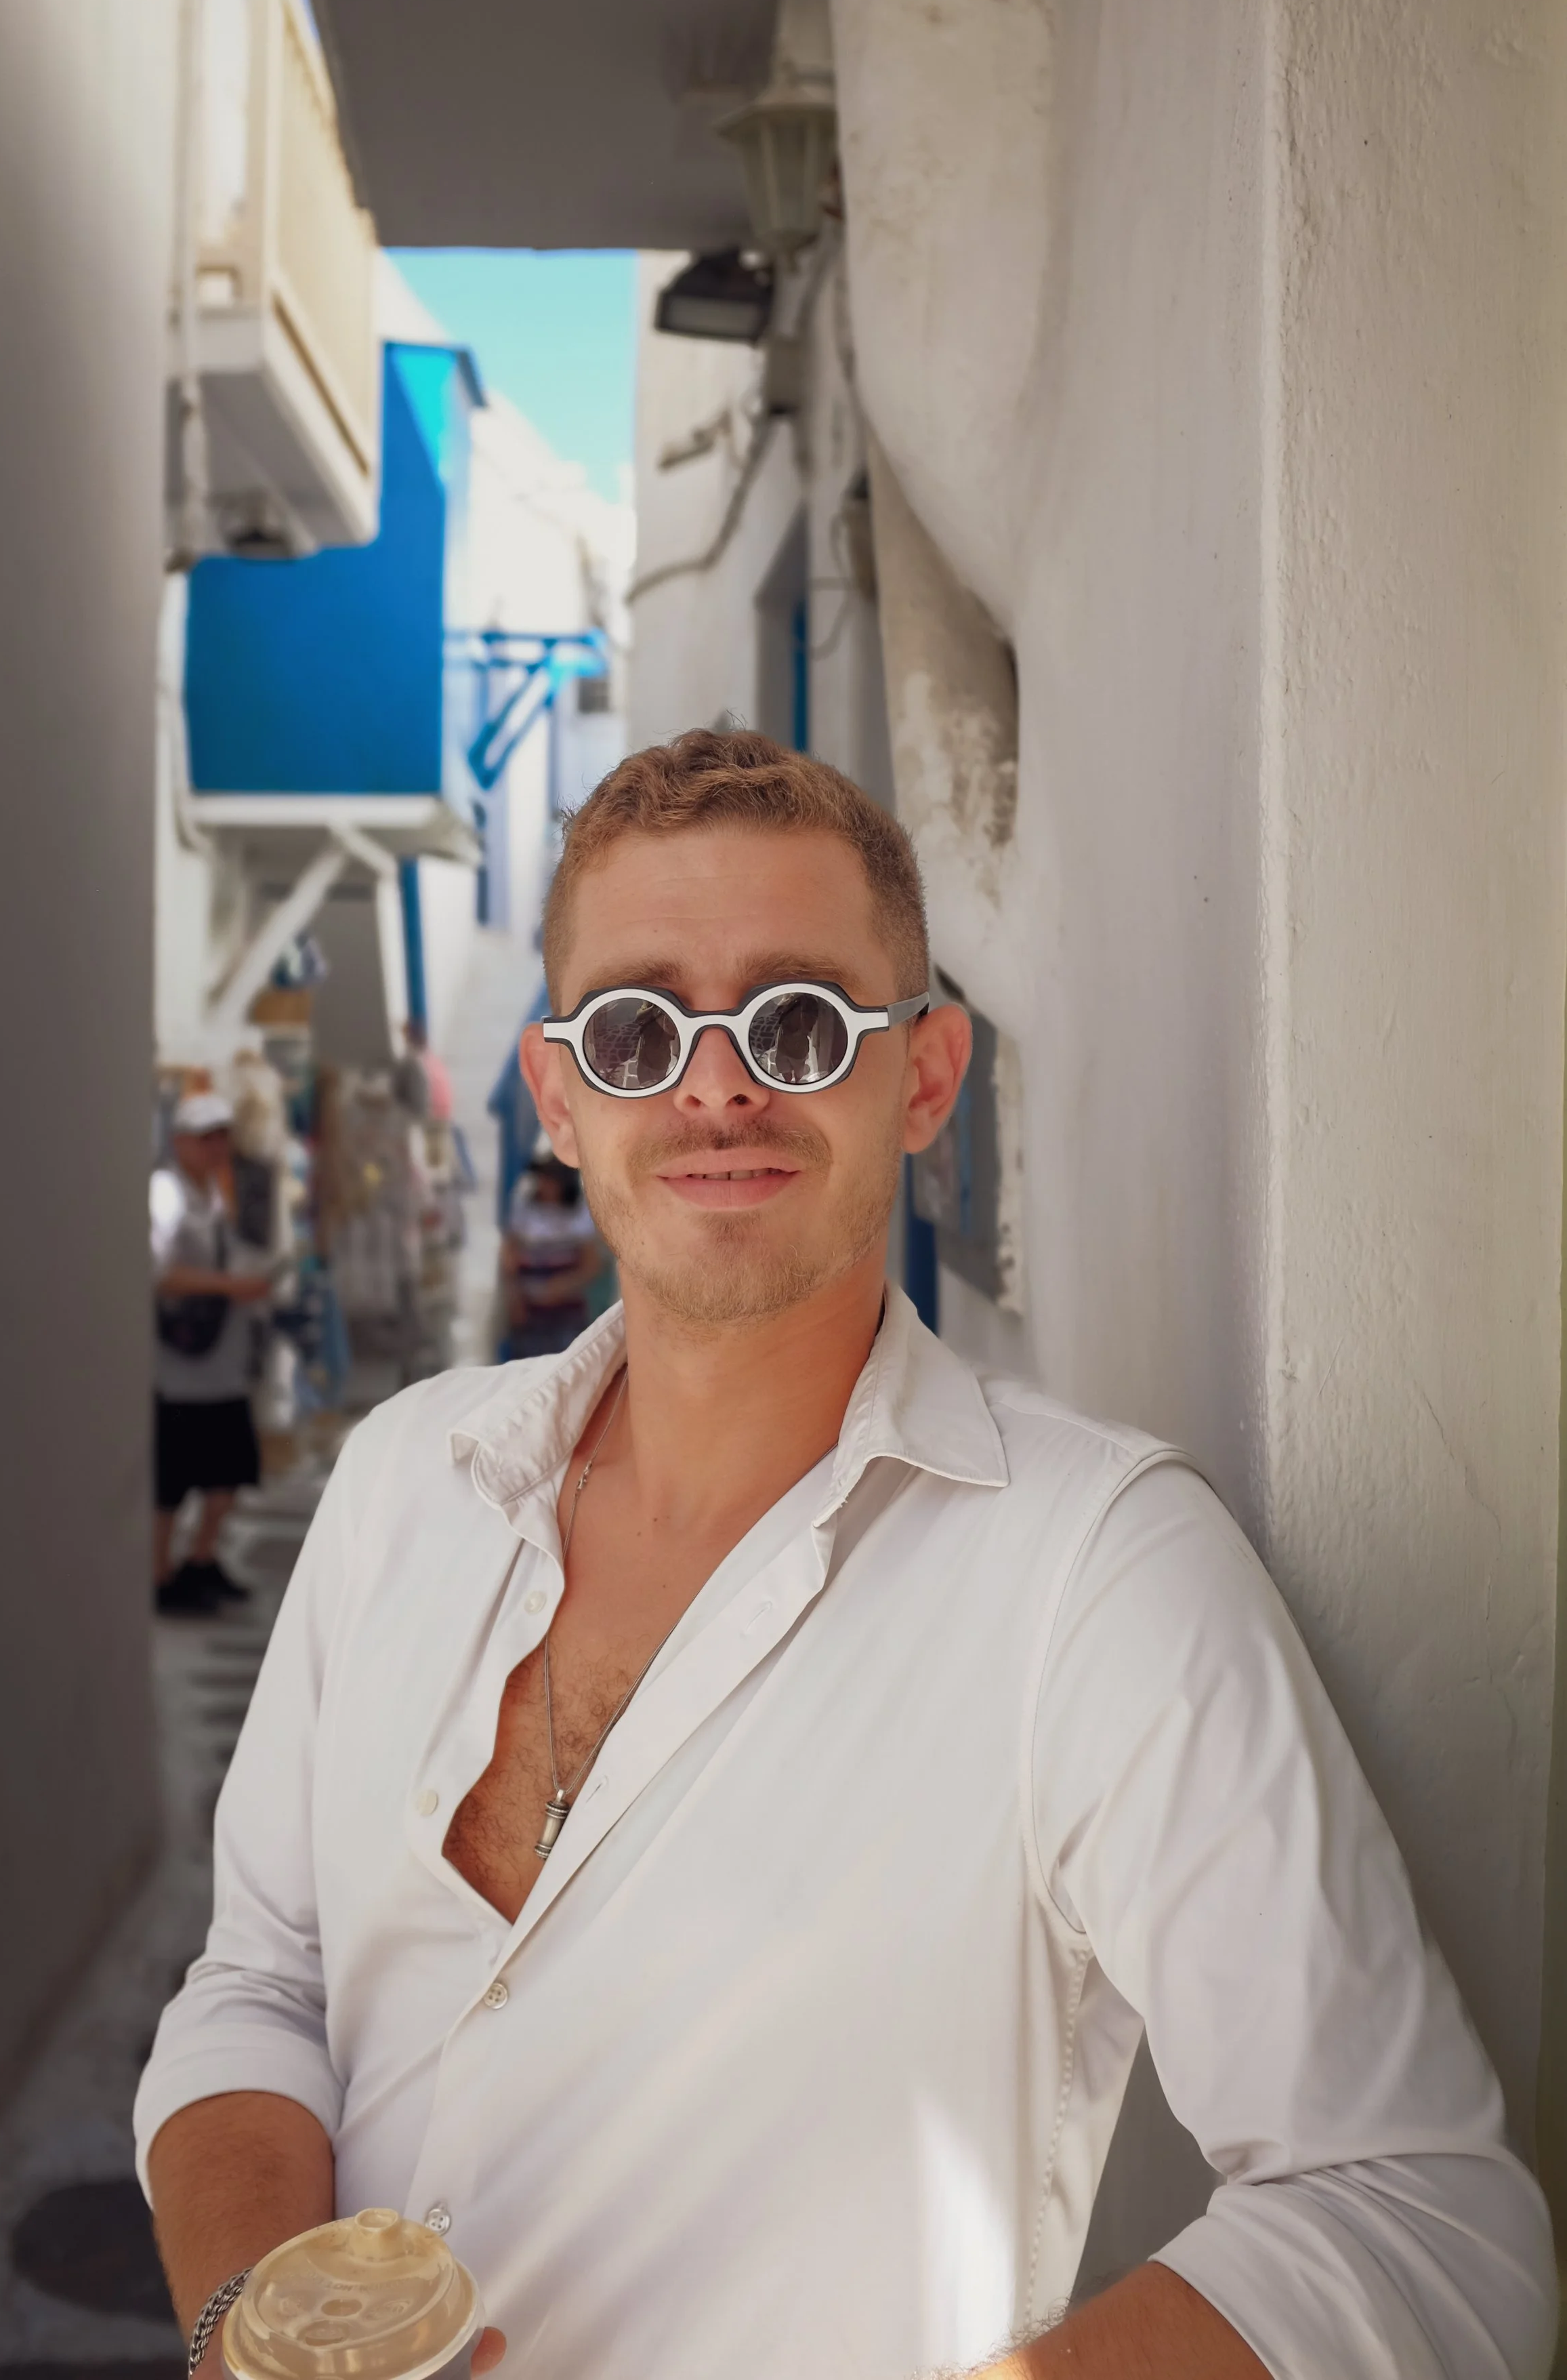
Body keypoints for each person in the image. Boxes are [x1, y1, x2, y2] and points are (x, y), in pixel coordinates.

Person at [137, 733, 1555, 2380]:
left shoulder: (1094, 1575)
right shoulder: (399, 1483)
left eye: (800, 1023)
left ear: (926, 1075)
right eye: (638, 1026)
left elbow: (1420, 2215)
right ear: (560, 1095)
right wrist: (260, 2326)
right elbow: (261, 1981)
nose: (718, 1084)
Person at [150, 1090, 272, 1616]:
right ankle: (161, 1574)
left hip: (220, 1366)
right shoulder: (166, 1193)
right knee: (172, 1483)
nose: (217, 1146)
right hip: (180, 1367)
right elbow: (158, 1275)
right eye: (206, 1137)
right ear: (180, 1142)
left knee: (226, 1475)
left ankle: (201, 1560)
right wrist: (229, 1286)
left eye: (223, 1135)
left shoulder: (213, 1193)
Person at [499, 1143, 603, 1360]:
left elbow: (591, 1264)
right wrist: (514, 1297)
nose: (547, 1185)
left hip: (566, 1311)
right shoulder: (525, 1210)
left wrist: (563, 1286)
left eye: (553, 1179)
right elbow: (509, 1256)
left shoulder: (578, 1214)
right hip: (529, 1310)